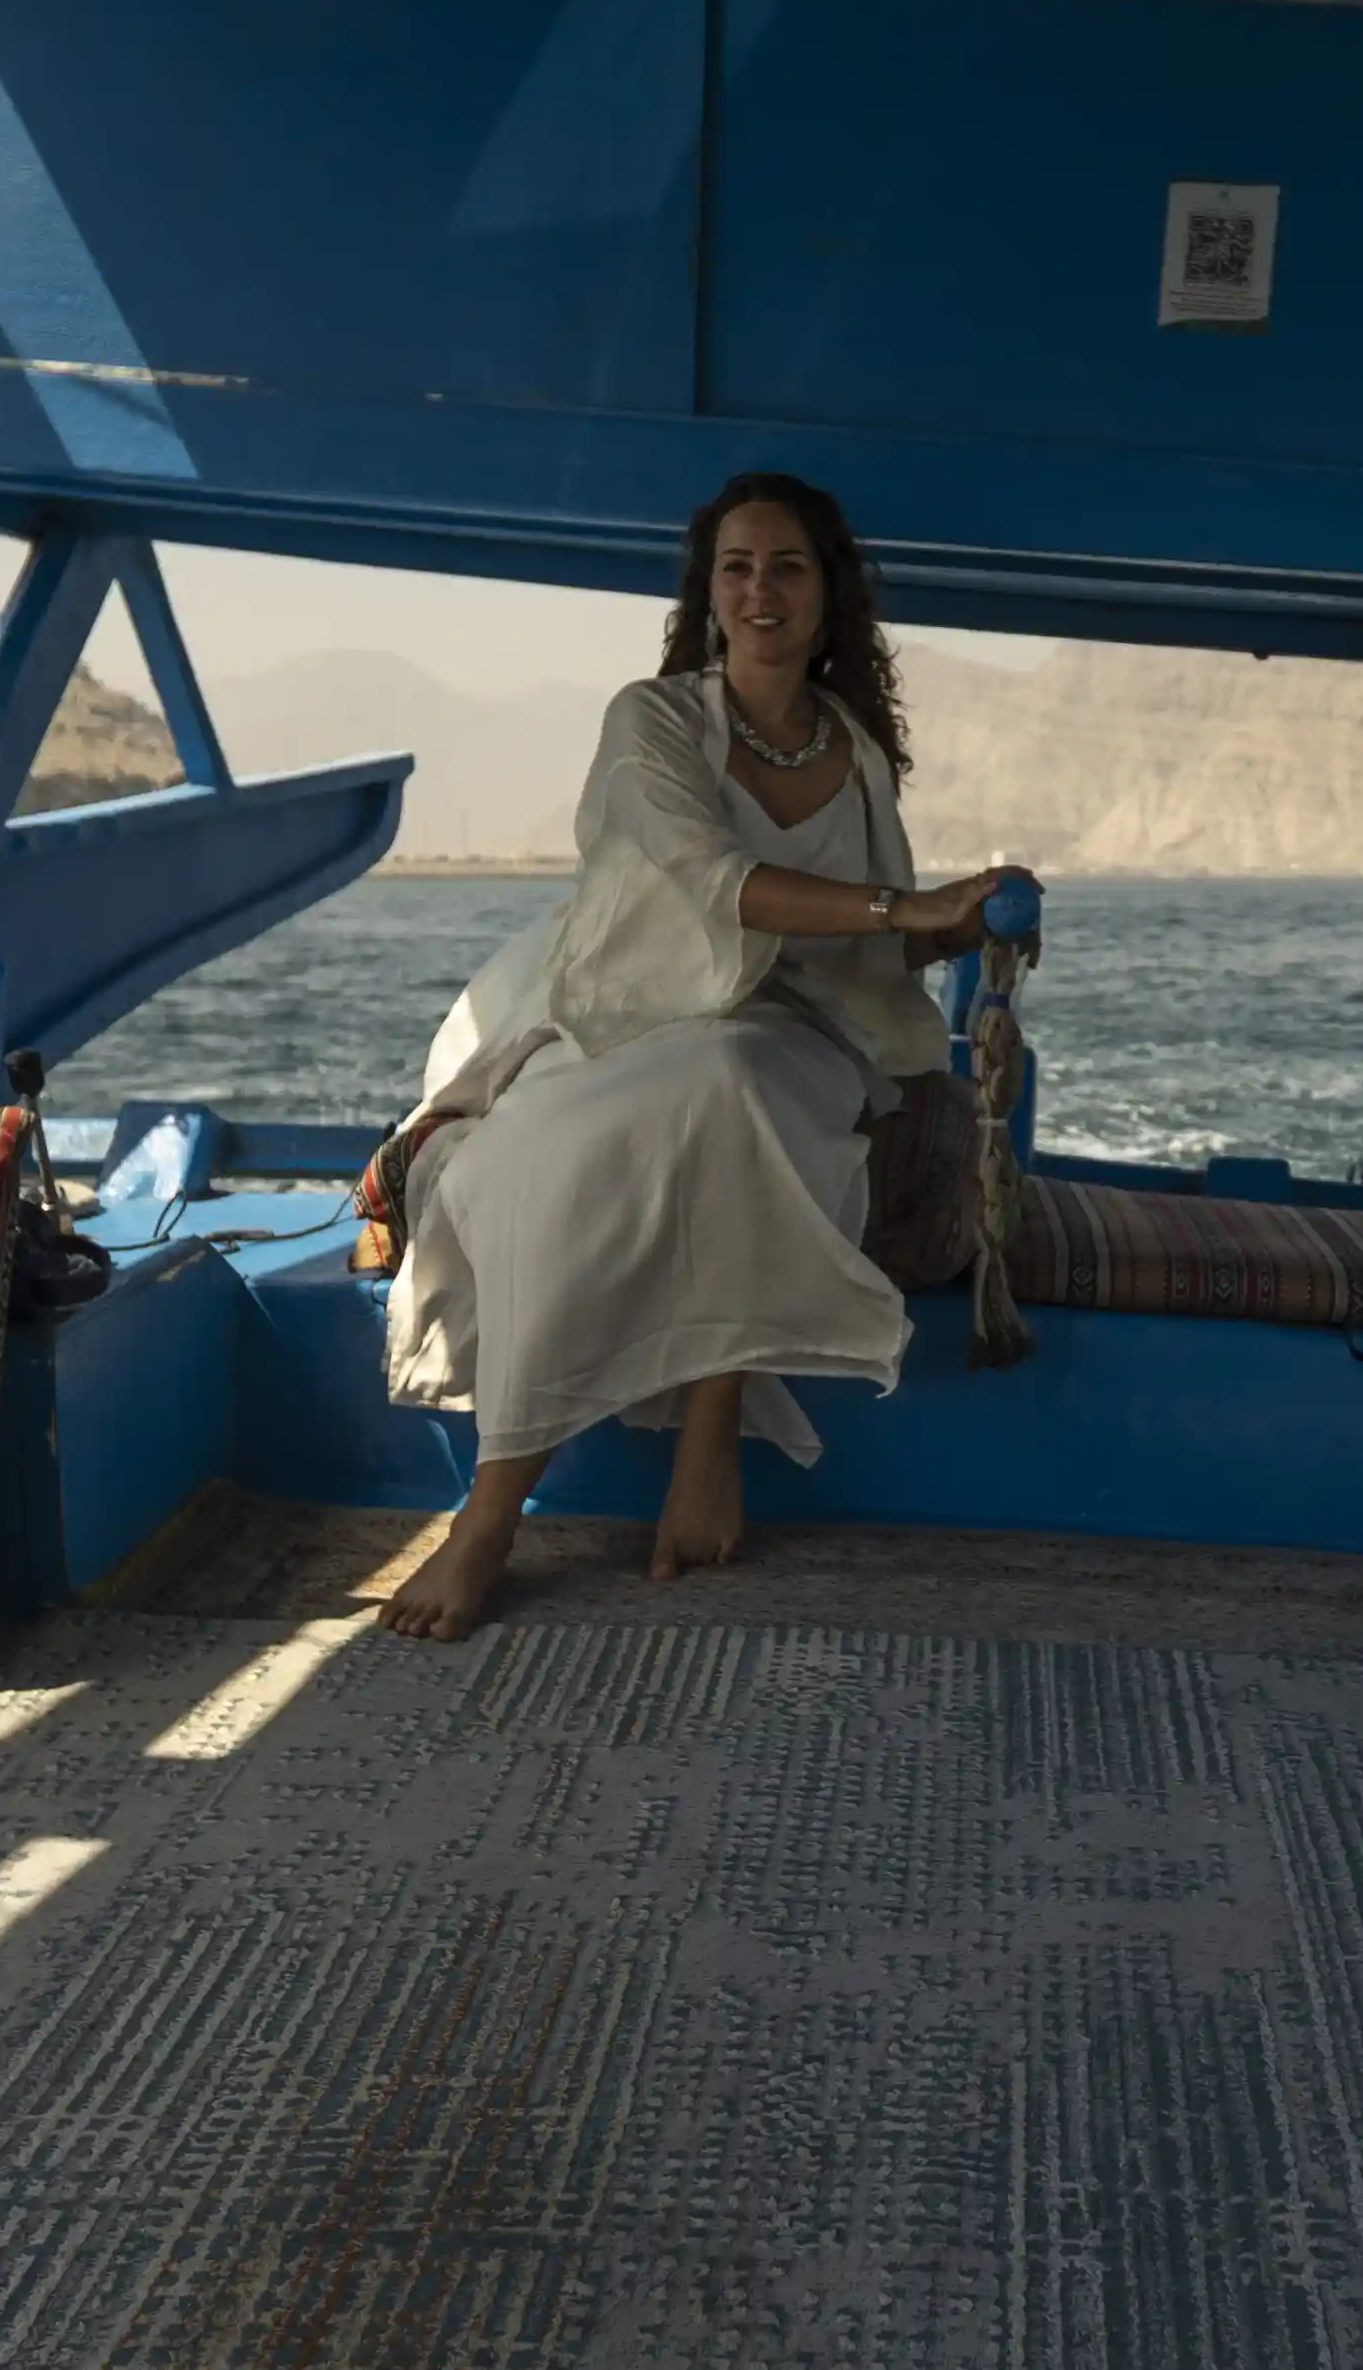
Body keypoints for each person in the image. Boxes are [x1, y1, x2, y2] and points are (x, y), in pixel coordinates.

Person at [374, 473, 1017, 1639]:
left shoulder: (859, 755)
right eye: (736, 566)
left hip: (802, 1037)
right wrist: (905, 906)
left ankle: (678, 1448)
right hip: (634, 1010)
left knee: (732, 1089)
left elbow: (887, 954)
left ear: (829, 597)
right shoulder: (655, 719)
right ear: (708, 593)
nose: (760, 589)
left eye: (787, 567)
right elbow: (714, 885)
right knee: (528, 1165)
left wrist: (967, 915)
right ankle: (499, 1504)